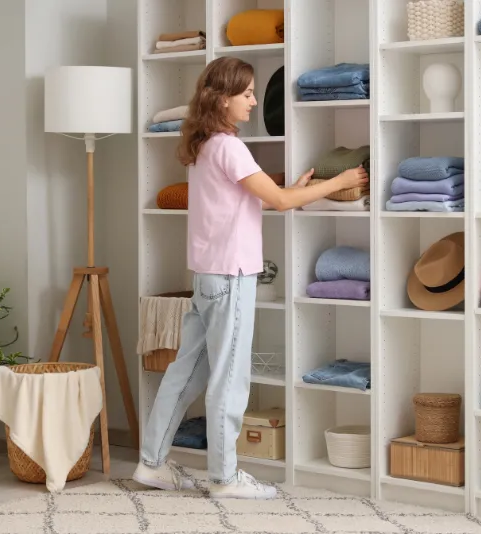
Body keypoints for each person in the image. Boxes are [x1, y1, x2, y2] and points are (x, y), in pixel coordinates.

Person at [132, 57, 369, 499]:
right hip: (232, 277)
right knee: (229, 378)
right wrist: (340, 181)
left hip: (207, 275)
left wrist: (299, 189)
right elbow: (278, 201)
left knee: (185, 374)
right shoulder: (230, 147)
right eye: (246, 94)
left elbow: (249, 202)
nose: (254, 101)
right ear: (223, 99)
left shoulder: (202, 147)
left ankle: (151, 463)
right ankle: (224, 478)